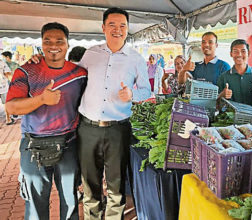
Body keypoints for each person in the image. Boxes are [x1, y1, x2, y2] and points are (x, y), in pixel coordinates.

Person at [5, 22, 87, 219]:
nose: (54, 45)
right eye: (47, 41)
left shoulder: (80, 74)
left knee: (70, 201)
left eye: (59, 41)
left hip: (68, 144)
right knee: (35, 204)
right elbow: (11, 107)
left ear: (67, 44)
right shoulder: (26, 71)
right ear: (41, 44)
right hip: (34, 145)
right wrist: (41, 99)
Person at [76, 8, 151, 219]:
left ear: (127, 29)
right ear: (103, 28)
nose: (117, 30)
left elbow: (146, 90)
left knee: (115, 186)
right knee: (90, 185)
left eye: (122, 26)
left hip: (118, 129)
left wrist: (132, 94)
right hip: (88, 128)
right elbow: (76, 79)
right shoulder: (91, 53)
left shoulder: (135, 59)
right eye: (112, 25)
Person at [217, 39, 252, 107]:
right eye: (235, 51)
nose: (239, 55)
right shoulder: (223, 77)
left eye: (243, 51)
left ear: (249, 53)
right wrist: (222, 95)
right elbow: (217, 105)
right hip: (231, 117)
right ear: (231, 54)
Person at [0, 59, 13, 125]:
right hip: (3, 86)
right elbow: (8, 73)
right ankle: (8, 119)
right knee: (6, 103)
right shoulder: (2, 63)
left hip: (3, 86)